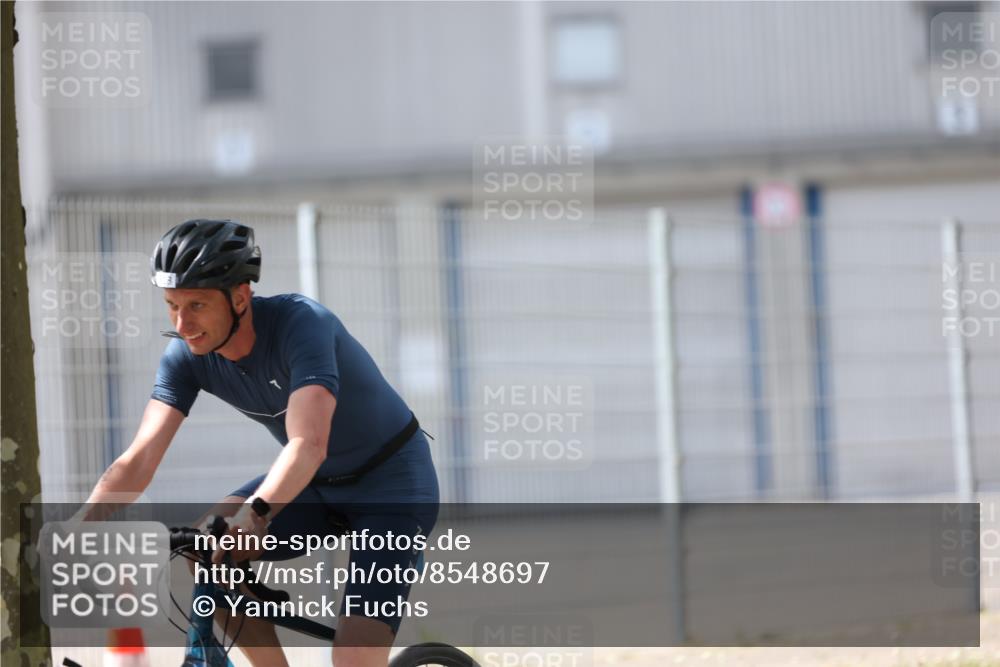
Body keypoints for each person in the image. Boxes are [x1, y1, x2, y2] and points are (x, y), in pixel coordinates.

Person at [80, 218, 439, 667]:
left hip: (392, 484)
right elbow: (139, 459)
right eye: (172, 305)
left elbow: (308, 443)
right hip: (316, 484)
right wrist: (80, 526)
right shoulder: (185, 357)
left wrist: (257, 513)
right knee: (205, 547)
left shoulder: (302, 324)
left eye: (196, 305)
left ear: (240, 297)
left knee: (353, 657)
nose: (183, 323)